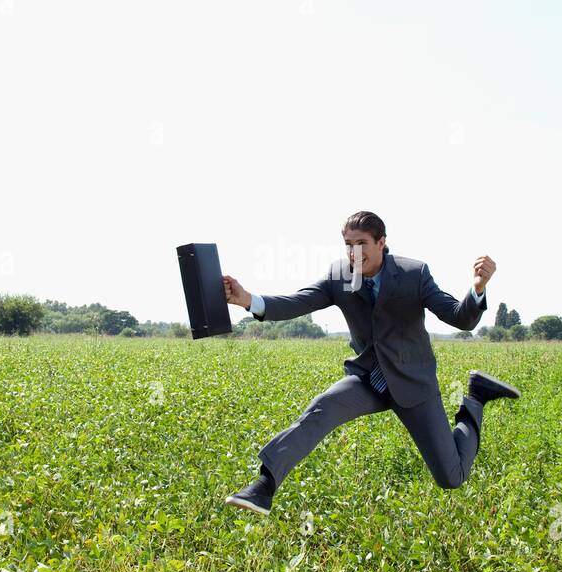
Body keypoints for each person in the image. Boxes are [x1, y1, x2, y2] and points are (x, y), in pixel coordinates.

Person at [221, 210, 520, 514]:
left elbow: (459, 317)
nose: (355, 252)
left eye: (361, 243)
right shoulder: (341, 276)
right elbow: (297, 302)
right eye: (348, 244)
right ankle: (264, 486)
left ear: (382, 242)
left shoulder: (413, 274)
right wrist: (247, 299)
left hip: (413, 382)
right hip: (368, 379)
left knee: (451, 477)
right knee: (322, 407)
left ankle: (477, 397)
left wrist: (478, 288)